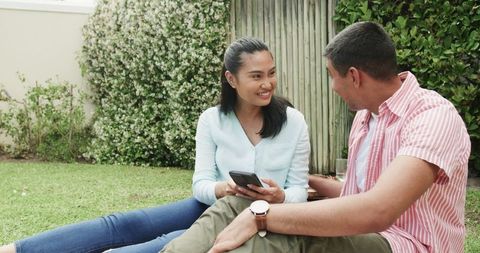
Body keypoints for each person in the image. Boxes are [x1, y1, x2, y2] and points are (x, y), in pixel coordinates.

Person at [160, 21, 471, 253]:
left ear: (354, 76)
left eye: (331, 77)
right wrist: (316, 183)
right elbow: (361, 194)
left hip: (406, 243)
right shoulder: (366, 117)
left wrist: (263, 216)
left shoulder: (433, 118)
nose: (332, 87)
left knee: (282, 233)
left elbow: (378, 210)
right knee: (237, 204)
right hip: (366, 229)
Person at [0, 37, 311, 253]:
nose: (268, 83)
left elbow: (299, 191)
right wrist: (223, 189)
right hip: (214, 204)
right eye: (256, 76)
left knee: (170, 240)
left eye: (271, 73)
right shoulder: (212, 120)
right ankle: (16, 249)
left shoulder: (293, 122)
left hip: (262, 215)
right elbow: (200, 184)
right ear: (231, 79)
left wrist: (281, 195)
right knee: (125, 223)